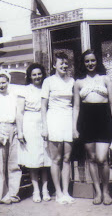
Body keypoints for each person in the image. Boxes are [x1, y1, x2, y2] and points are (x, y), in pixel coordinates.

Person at [72, 49, 112, 206]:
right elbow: (76, 108)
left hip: (103, 119)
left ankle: (106, 191)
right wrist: (74, 127)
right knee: (92, 159)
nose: (90, 64)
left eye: (92, 60)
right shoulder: (78, 83)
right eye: (87, 61)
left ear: (97, 61)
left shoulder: (106, 80)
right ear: (83, 63)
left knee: (102, 158)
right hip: (86, 121)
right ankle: (98, 192)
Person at [41, 52, 75, 204]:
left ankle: (66, 192)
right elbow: (43, 106)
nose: (64, 66)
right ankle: (58, 193)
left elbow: (75, 105)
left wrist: (74, 126)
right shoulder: (48, 82)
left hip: (68, 119)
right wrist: (45, 127)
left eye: (66, 63)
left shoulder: (72, 81)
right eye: (61, 63)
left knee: (67, 158)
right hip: (53, 119)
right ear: (54, 65)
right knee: (56, 158)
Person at [16, 63, 52, 203]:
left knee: (45, 159)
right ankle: (36, 190)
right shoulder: (24, 90)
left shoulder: (46, 88)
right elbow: (19, 113)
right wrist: (20, 131)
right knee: (33, 160)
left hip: (44, 122)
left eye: (39, 74)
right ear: (30, 77)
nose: (37, 77)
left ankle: (45, 189)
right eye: (34, 74)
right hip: (29, 124)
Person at [0, 70, 22, 204]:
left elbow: (18, 114)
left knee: (14, 163)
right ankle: (1, 196)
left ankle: (13, 194)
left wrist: (19, 131)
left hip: (13, 128)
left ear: (8, 82)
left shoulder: (14, 96)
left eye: (4, 82)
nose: (1, 85)